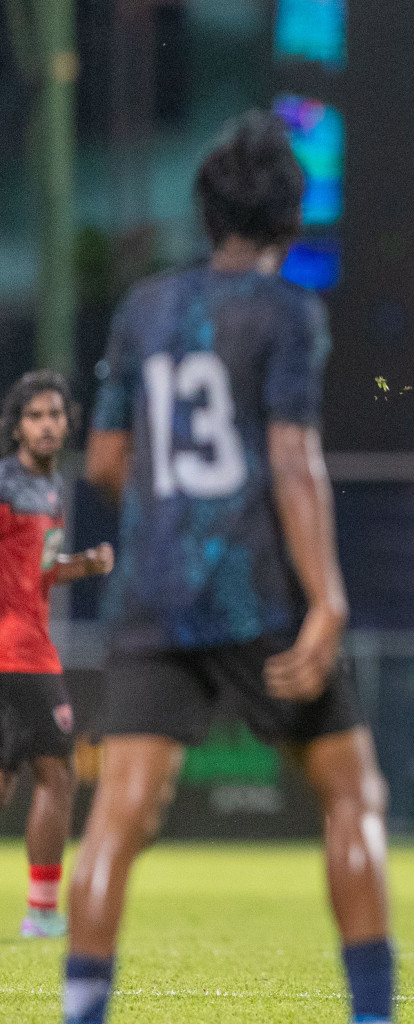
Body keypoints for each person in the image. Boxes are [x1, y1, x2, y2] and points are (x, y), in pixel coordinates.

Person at [66, 111, 394, 1024]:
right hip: (259, 594)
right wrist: (326, 599)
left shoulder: (144, 307)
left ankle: (79, 1011)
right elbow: (293, 460)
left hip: (150, 596)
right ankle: (373, 1016)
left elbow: (101, 460)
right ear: (292, 217)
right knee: (352, 796)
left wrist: (171, 506)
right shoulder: (289, 311)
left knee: (120, 816)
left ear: (206, 213)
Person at [0, 371, 113, 938]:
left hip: (28, 649)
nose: (46, 425)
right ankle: (42, 914)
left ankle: (43, 913)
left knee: (23, 778)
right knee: (55, 774)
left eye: (55, 415)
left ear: (68, 423)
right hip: (15, 654)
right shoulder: (7, 485)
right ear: (16, 425)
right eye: (34, 416)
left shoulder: (46, 489)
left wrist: (83, 565)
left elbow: (35, 573)